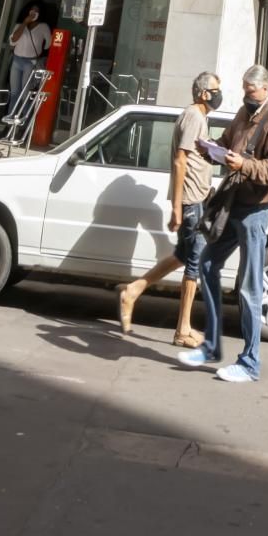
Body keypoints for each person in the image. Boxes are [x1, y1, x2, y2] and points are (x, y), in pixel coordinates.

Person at [182, 64, 268, 385]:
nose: (245, 95)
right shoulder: (244, 112)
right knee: (207, 264)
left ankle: (250, 362)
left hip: (255, 210)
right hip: (233, 203)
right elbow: (227, 142)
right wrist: (209, 149)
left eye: (250, 90)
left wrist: (244, 164)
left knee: (250, 286)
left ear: (266, 88)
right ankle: (212, 346)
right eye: (244, 89)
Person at [117, 70, 221, 347]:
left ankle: (133, 291)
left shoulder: (200, 117)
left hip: (197, 198)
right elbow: (179, 160)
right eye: (215, 90)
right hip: (190, 200)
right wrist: (177, 207)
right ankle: (182, 330)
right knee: (195, 260)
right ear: (203, 93)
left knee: (182, 255)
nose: (218, 95)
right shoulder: (194, 116)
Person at [7, 2, 51, 121]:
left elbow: (48, 44)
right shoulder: (19, 26)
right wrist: (25, 23)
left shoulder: (43, 27)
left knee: (25, 94)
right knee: (14, 92)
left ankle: (24, 121)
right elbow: (13, 40)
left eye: (36, 11)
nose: (33, 13)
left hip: (30, 63)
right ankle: (10, 120)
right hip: (17, 60)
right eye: (32, 10)